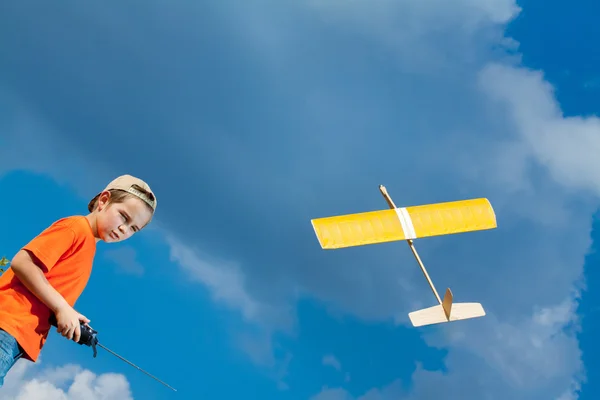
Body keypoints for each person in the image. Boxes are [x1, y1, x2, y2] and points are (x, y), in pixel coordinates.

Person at [0, 174, 157, 387]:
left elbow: (48, 297)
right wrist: (62, 307)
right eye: (124, 217)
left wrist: (66, 316)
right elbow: (23, 263)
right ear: (103, 201)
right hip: (7, 324)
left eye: (133, 229)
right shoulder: (75, 228)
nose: (124, 229)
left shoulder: (87, 249)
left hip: (16, 337)